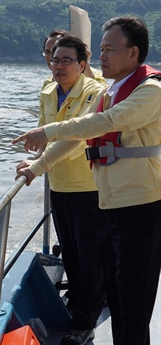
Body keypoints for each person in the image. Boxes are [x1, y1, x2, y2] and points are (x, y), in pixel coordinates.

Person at [13, 17, 161, 345]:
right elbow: (75, 138)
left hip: (141, 208)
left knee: (134, 306)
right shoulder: (111, 92)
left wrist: (47, 131)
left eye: (110, 50)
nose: (102, 57)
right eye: (102, 49)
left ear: (133, 54)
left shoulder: (151, 92)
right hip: (109, 206)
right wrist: (38, 167)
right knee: (119, 301)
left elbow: (103, 123)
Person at [26, 34, 106, 345]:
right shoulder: (48, 90)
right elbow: (44, 135)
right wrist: (33, 160)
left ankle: (85, 322)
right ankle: (77, 307)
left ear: (83, 64)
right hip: (59, 185)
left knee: (91, 256)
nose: (58, 65)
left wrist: (37, 167)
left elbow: (75, 140)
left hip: (88, 186)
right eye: (54, 59)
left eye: (66, 60)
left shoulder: (95, 93)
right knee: (72, 254)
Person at [41, 30, 106, 90]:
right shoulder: (47, 84)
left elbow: (100, 95)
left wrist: (86, 63)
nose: (51, 57)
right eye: (47, 52)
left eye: (55, 51)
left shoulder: (94, 75)